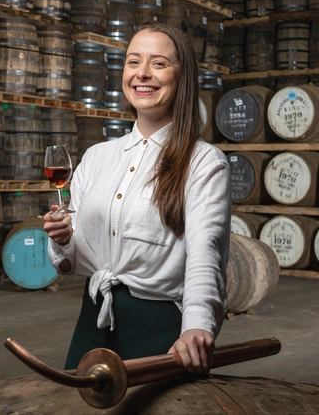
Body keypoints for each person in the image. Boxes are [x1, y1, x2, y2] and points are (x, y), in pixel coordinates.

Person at [43, 22, 231, 374]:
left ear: (183, 76)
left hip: (161, 332)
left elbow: (206, 253)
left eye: (159, 63)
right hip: (93, 324)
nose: (142, 73)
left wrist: (197, 327)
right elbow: (70, 263)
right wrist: (64, 239)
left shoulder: (204, 162)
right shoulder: (98, 156)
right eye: (133, 62)